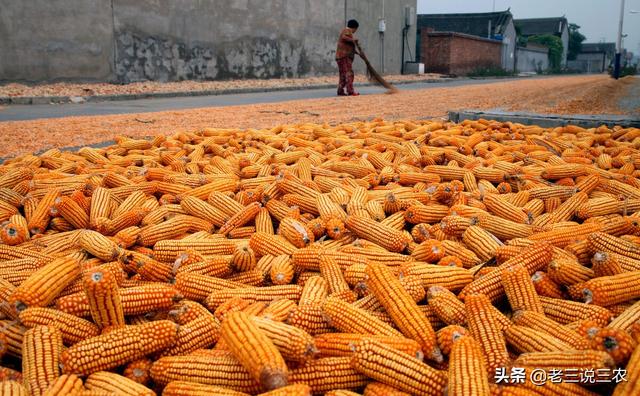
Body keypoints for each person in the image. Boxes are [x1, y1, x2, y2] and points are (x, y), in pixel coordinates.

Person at [336, 19, 360, 96]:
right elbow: (343, 37)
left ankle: (340, 91)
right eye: (356, 29)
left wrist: (357, 52)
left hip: (341, 57)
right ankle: (350, 91)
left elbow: (347, 45)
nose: (355, 31)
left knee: (343, 74)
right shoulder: (347, 30)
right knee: (349, 73)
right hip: (344, 57)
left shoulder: (347, 32)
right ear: (354, 28)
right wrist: (353, 40)